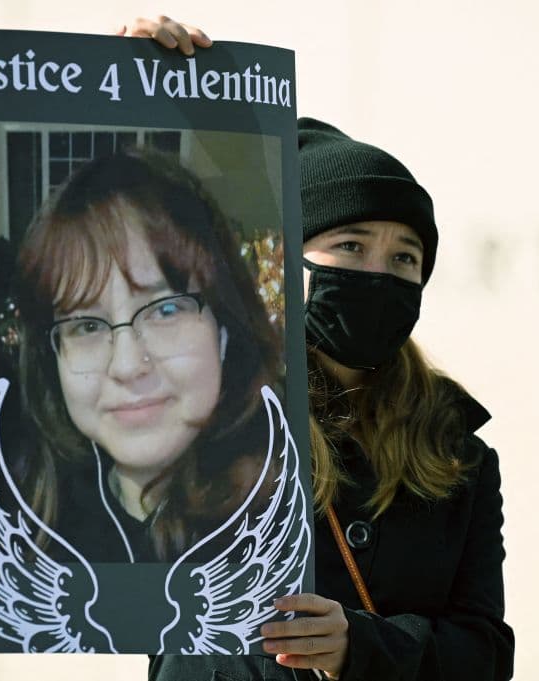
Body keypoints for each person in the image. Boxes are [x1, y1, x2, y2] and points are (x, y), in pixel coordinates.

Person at [127, 17, 515, 680]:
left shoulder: (460, 456)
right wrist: (133, 87)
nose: (379, 272)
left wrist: (360, 648)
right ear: (285, 262)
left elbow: (485, 652)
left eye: (405, 256)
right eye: (352, 246)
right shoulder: (213, 413)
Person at [14, 146, 282, 563]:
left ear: (225, 329)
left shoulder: (291, 517)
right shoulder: (24, 527)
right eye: (86, 325)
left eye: (165, 310)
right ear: (54, 361)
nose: (125, 365)